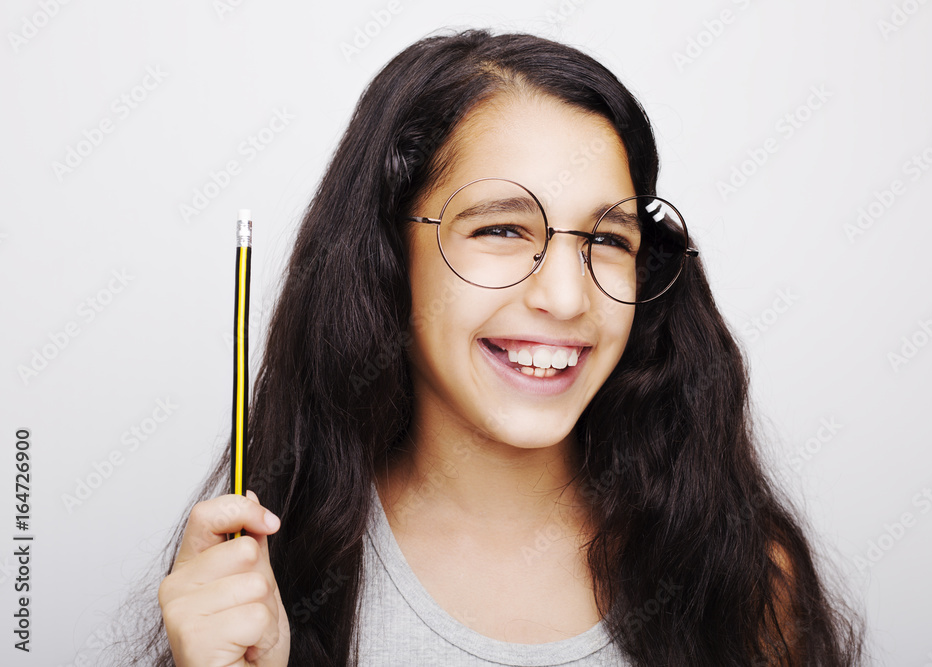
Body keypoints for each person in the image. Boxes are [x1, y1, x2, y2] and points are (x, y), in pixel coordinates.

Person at [129, 28, 866, 666]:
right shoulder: (267, 578)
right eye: (503, 228)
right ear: (387, 253)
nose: (568, 298)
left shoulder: (738, 573)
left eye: (607, 238)